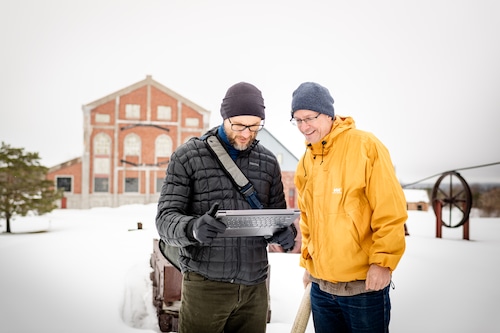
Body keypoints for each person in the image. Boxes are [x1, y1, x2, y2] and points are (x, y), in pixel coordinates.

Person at [156, 82, 296, 333]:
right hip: (206, 286)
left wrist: (286, 233)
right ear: (224, 117)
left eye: (254, 126)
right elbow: (165, 219)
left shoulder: (268, 161)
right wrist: (193, 228)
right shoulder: (188, 156)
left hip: (255, 288)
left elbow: (277, 215)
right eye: (239, 125)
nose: (246, 133)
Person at [290, 82, 408, 333]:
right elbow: (308, 220)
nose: (304, 126)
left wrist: (383, 262)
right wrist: (308, 265)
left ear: (329, 114)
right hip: (322, 290)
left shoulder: (365, 146)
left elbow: (390, 210)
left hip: (363, 288)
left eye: (309, 118)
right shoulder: (306, 161)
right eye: (297, 120)